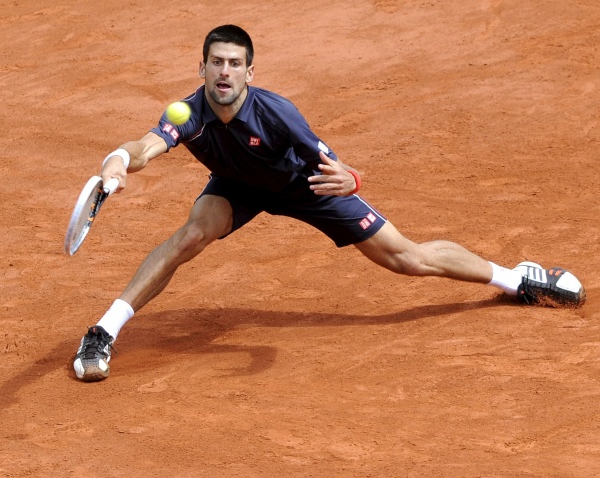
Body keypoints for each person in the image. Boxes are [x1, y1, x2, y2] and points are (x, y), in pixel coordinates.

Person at [73, 24, 586, 382]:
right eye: (216, 63)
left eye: (235, 64)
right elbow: (146, 147)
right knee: (190, 235)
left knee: (407, 259)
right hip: (237, 187)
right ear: (202, 67)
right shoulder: (188, 113)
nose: (224, 73)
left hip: (305, 186)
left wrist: (350, 178)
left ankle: (517, 279)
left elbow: (333, 165)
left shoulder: (278, 114)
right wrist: (118, 160)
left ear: (250, 72)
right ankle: (103, 331)